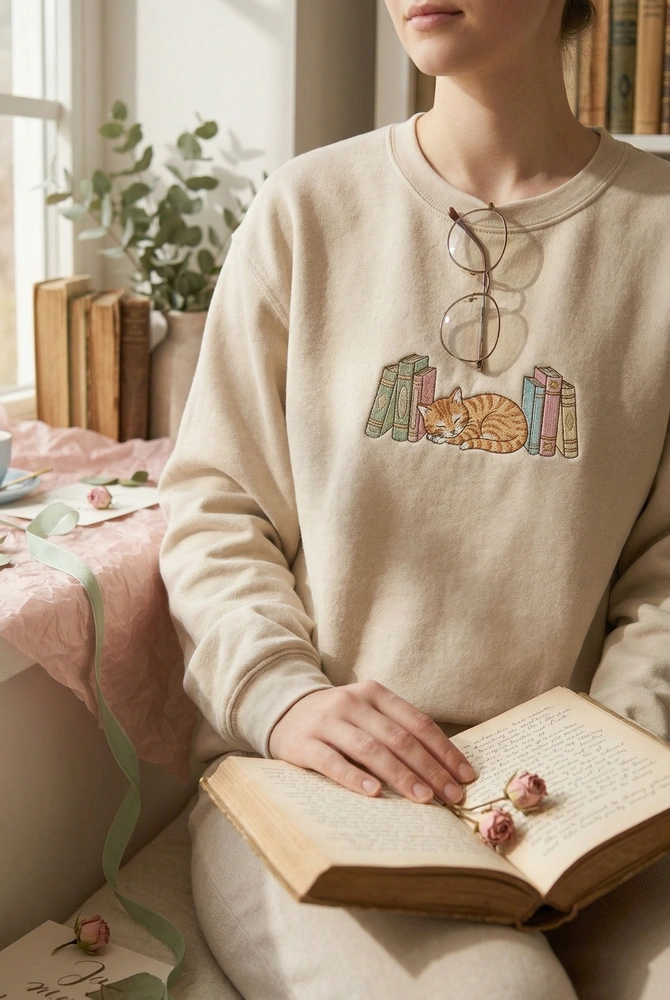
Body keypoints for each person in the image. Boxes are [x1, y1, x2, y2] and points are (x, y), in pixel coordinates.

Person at [157, 1, 670, 996]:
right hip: (317, 783)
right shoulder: (307, 210)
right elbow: (216, 503)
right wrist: (282, 695)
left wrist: (608, 775)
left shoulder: (655, 233)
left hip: (588, 788)